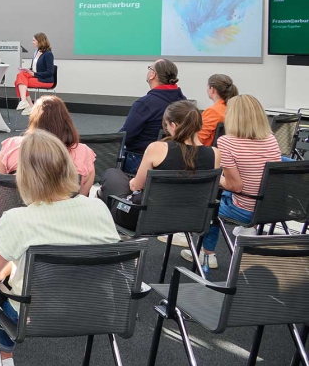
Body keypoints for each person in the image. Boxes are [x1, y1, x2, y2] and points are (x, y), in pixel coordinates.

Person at [0, 130, 119, 366]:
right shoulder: (99, 208)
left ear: (23, 176)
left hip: (34, 314)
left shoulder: (18, 219)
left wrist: (10, 267)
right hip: (95, 308)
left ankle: (4, 356)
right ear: (67, 168)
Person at [186, 95, 280, 275]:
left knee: (209, 204)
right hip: (270, 207)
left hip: (245, 208)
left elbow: (235, 186)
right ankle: (248, 230)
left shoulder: (227, 142)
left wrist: (215, 178)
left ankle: (208, 254)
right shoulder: (270, 139)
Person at [97, 101, 220, 231]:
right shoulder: (214, 154)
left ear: (173, 125)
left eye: (166, 126)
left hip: (142, 217)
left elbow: (135, 186)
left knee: (112, 174)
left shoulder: (158, 148)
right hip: (189, 219)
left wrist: (133, 182)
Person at [0, 96, 96, 203]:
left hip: (15, 215)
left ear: (34, 121)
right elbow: (81, 198)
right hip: (61, 218)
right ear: (66, 120)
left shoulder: (13, 145)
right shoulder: (84, 153)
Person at [120, 58, 186, 174]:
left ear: (152, 75)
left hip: (142, 160)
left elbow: (125, 136)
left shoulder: (145, 104)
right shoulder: (184, 103)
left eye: (150, 68)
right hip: (177, 160)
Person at [13, 33, 55, 116]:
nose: (32, 42)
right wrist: (29, 70)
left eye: (33, 40)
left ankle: (27, 104)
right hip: (35, 76)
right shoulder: (36, 52)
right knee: (20, 75)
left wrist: (34, 74)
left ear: (40, 41)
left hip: (46, 80)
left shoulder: (48, 54)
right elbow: (35, 67)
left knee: (18, 82)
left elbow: (50, 72)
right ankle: (27, 104)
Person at [198, 74, 238, 146]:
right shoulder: (234, 108)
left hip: (208, 153)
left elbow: (199, 138)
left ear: (212, 89)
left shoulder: (213, 111)